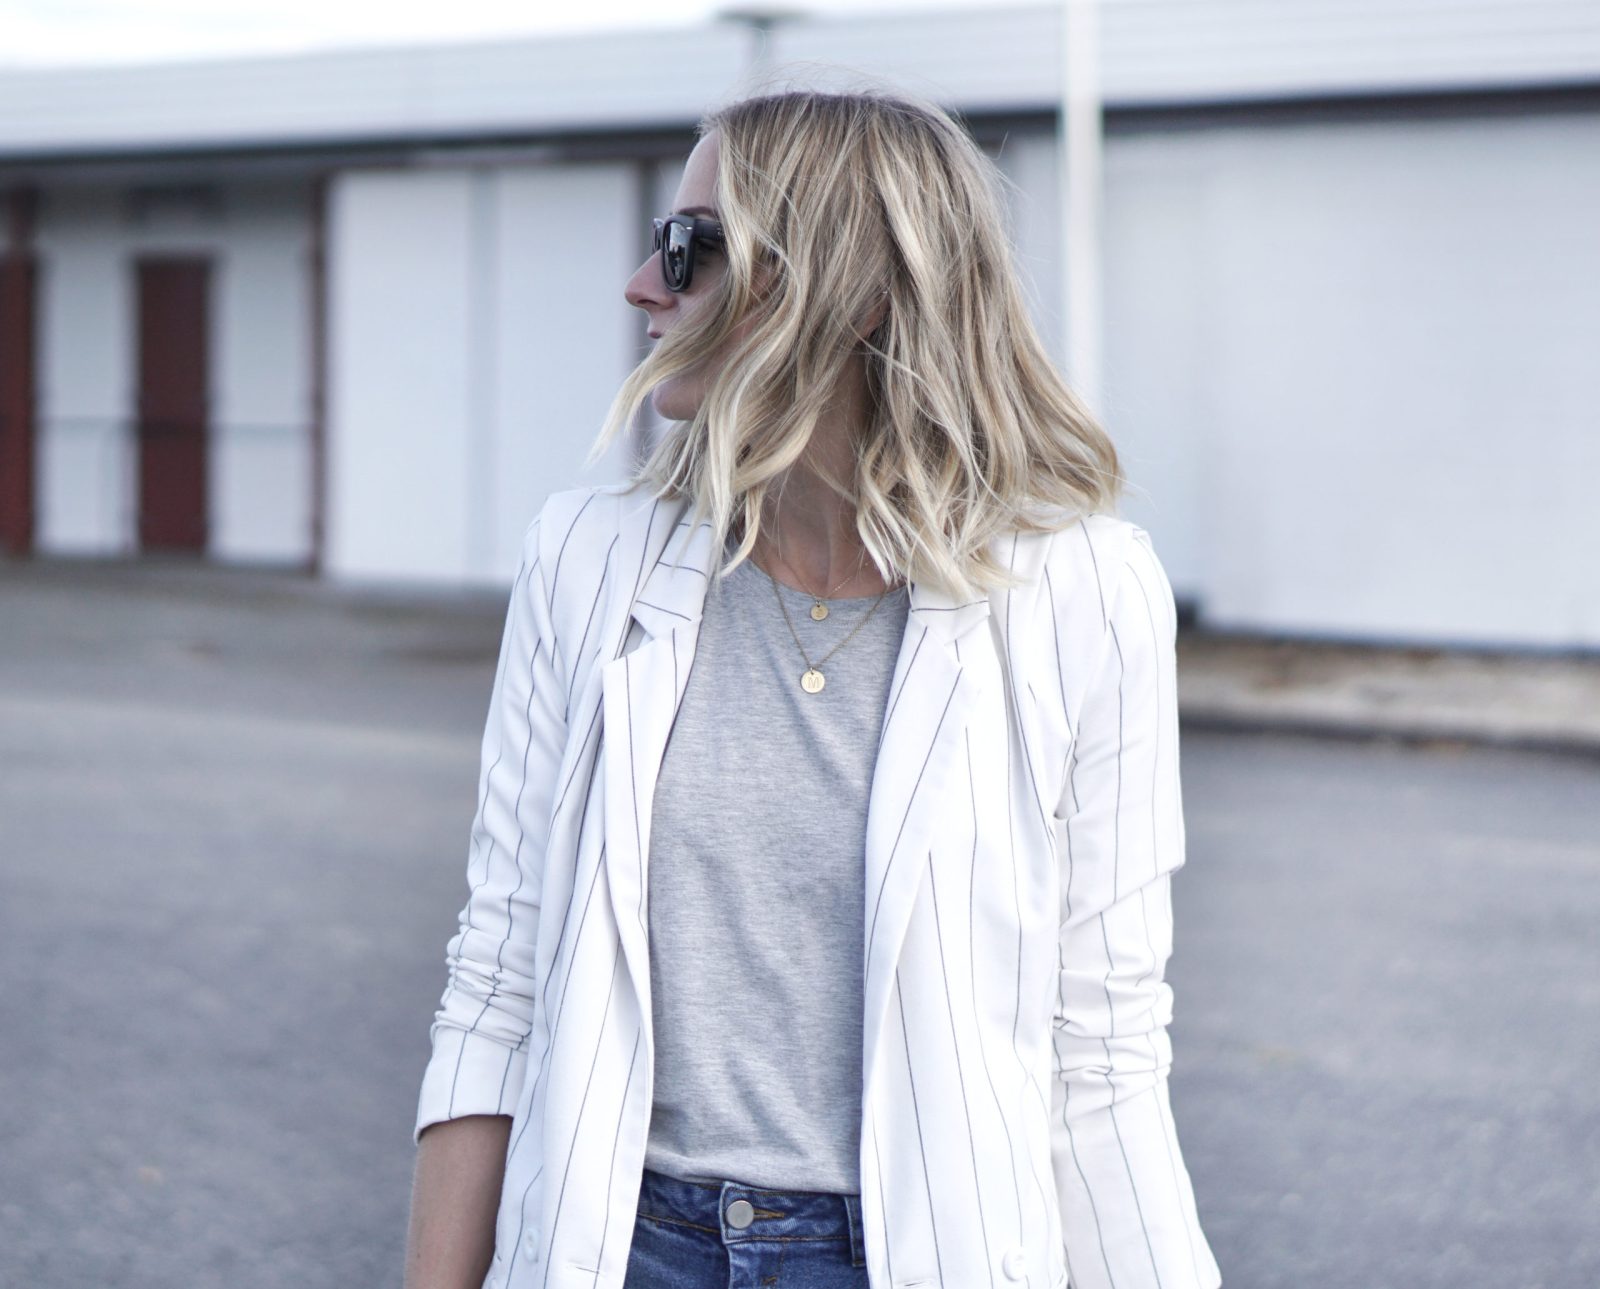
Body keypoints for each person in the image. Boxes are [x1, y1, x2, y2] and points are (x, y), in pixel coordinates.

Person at [403, 86, 1222, 1289]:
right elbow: (498, 982)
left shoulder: (1083, 592)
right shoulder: (585, 559)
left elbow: (1100, 1051)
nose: (642, 284)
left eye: (688, 248)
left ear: (852, 285)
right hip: (615, 1245)